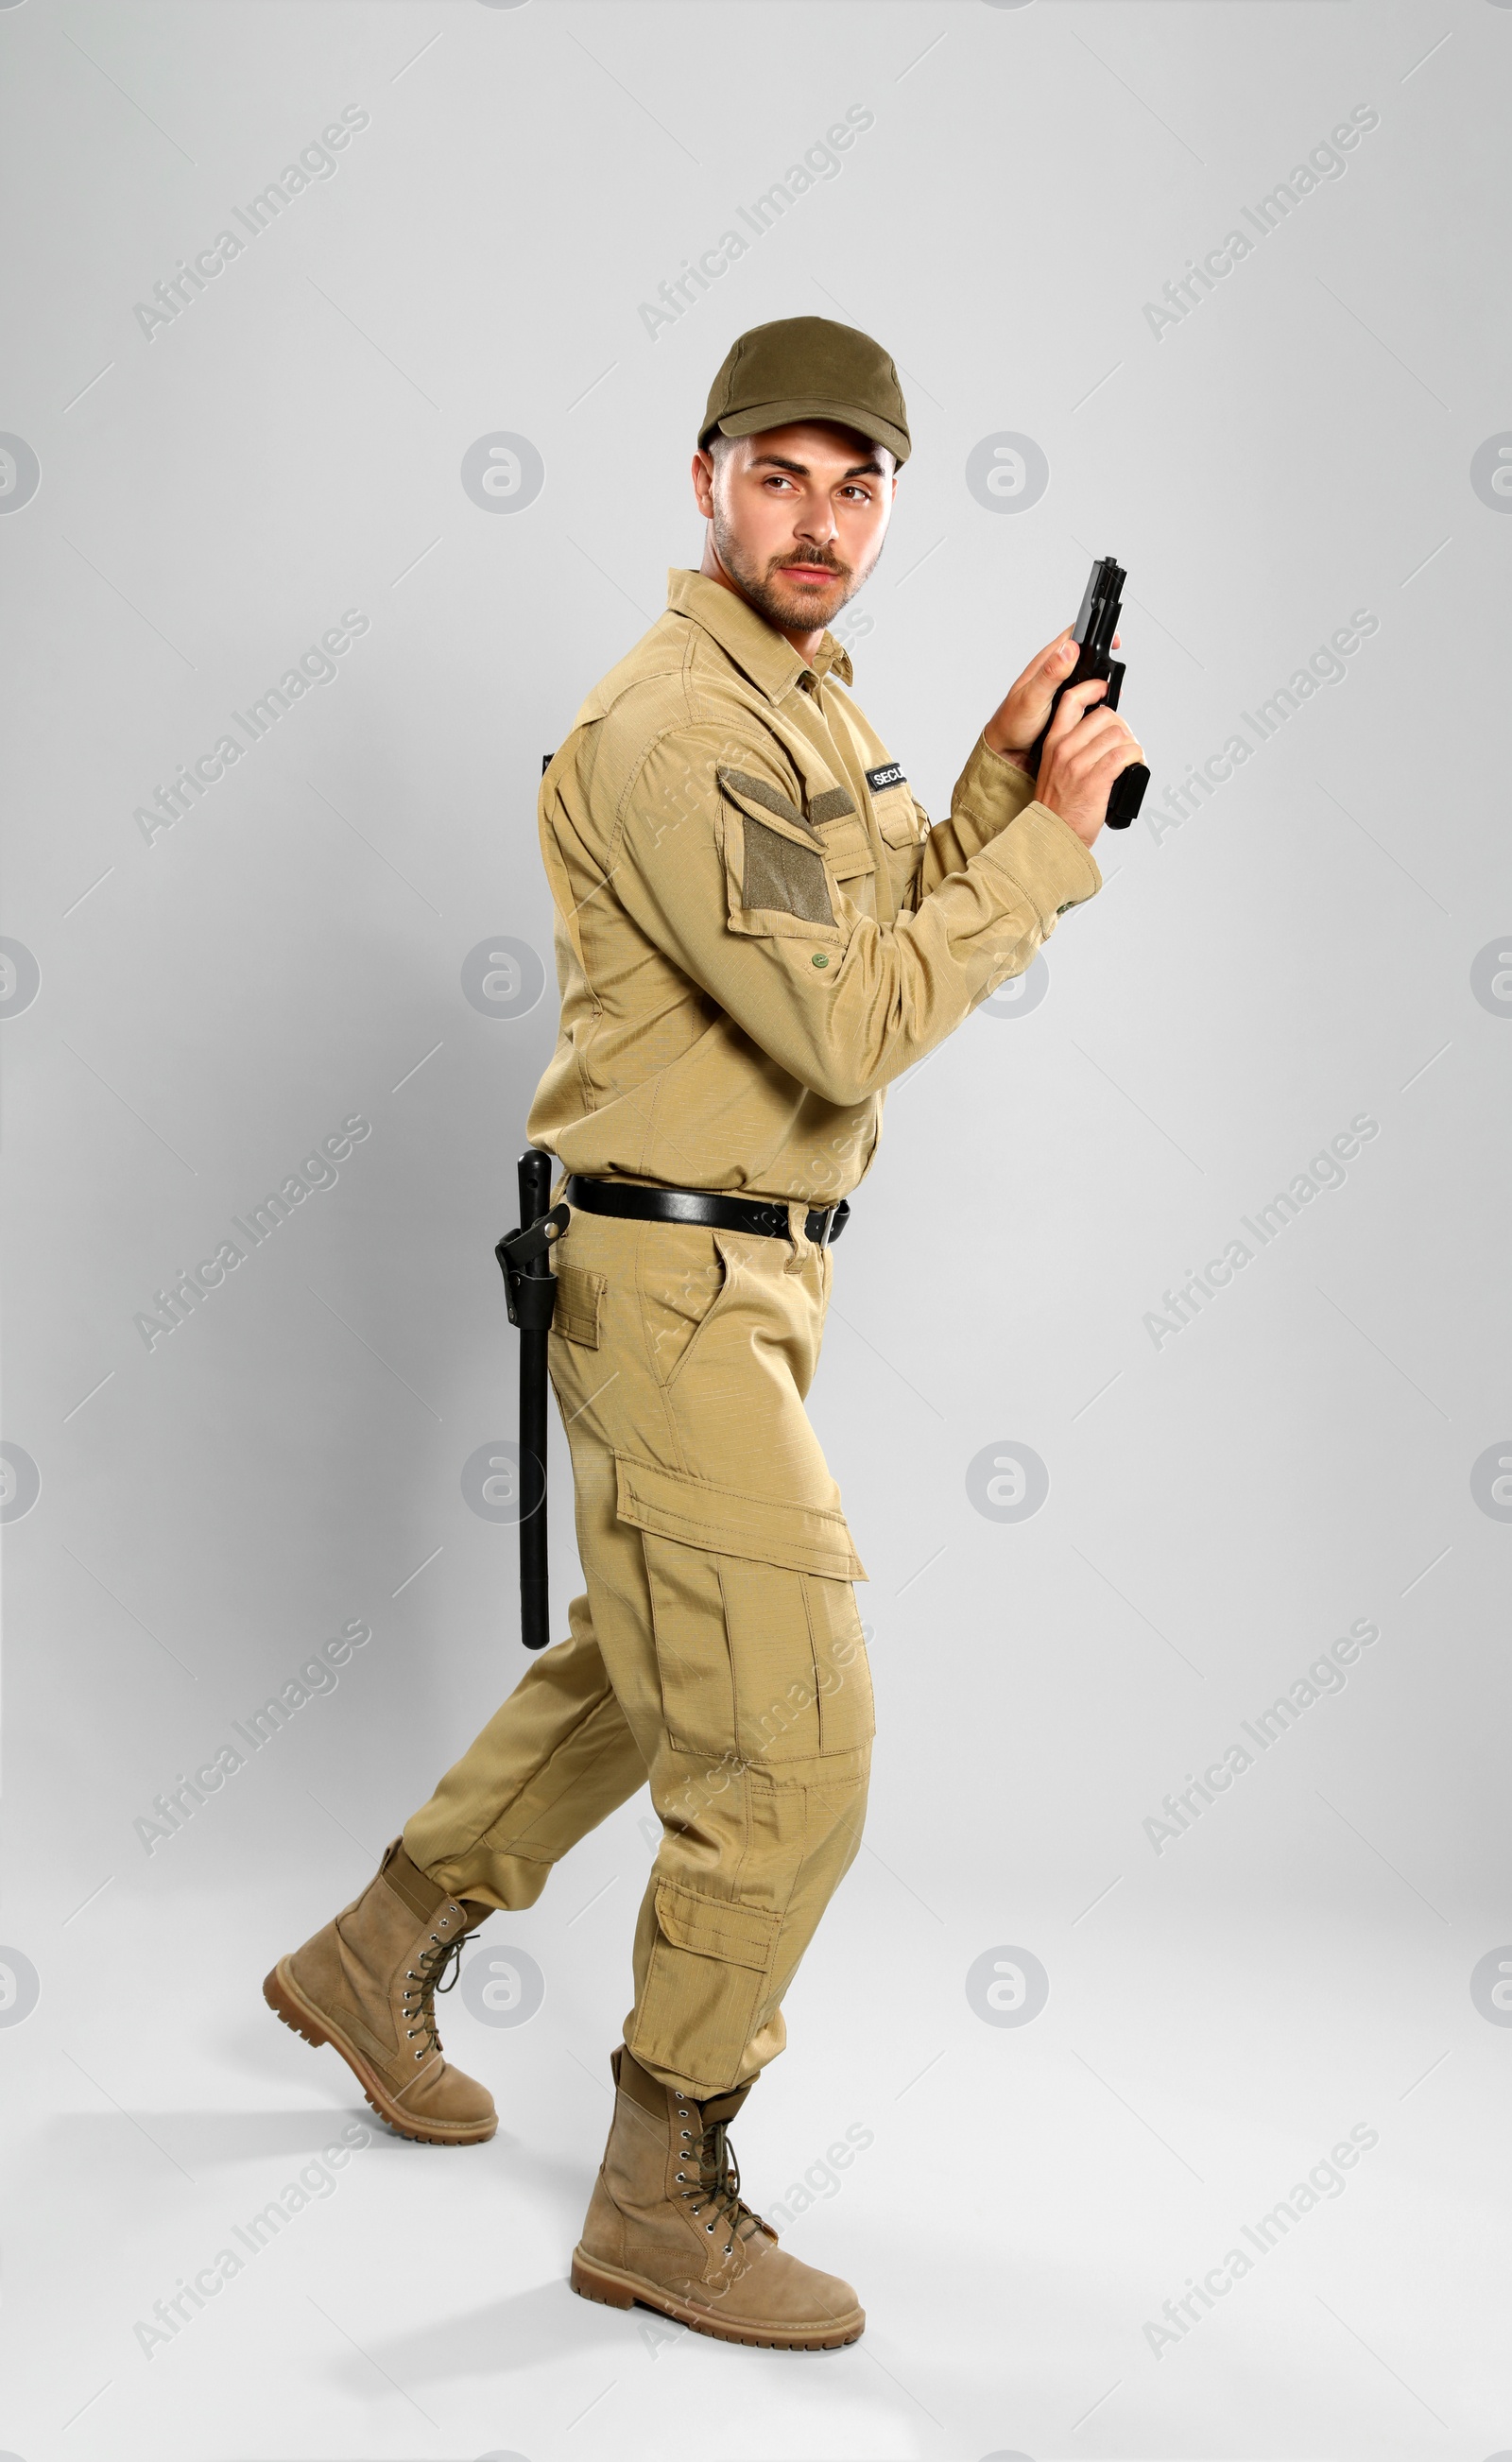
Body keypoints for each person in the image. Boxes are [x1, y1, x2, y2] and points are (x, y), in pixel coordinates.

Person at [265, 316, 1142, 2350]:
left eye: (856, 488)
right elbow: (845, 1023)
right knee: (793, 1738)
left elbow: (853, 927)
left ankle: (371, 1949)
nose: (816, 521)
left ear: (885, 507)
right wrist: (1047, 861)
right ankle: (661, 2185)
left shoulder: (803, 702)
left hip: (743, 1271)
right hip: (670, 1277)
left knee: (650, 1660)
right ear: (705, 480)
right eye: (781, 478)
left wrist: (1006, 771)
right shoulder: (678, 725)